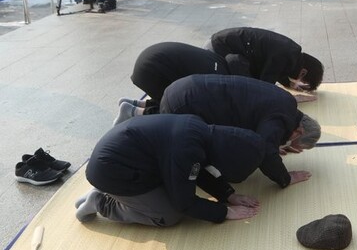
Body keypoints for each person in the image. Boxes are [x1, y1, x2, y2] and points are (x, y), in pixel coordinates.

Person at [117, 74, 321, 186]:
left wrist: (277, 142)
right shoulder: (280, 119)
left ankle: (134, 111)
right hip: (188, 105)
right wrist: (285, 178)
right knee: (182, 140)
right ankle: (129, 136)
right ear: (299, 132)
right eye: (293, 144)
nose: (289, 146)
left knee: (169, 118)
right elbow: (264, 149)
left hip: (184, 86)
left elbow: (266, 132)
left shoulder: (286, 103)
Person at [74, 114, 264, 226]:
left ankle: (116, 193)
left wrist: (227, 194)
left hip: (123, 160)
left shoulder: (201, 131)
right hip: (111, 172)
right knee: (169, 215)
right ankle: (102, 202)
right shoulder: (185, 152)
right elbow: (185, 203)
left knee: (175, 189)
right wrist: (224, 212)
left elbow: (196, 169)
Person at [207, 27, 324, 96]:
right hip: (218, 48)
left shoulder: (292, 53)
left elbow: (276, 70)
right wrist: (289, 99)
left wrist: (288, 84)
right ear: (303, 72)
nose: (298, 83)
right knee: (250, 89)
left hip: (225, 42)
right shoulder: (284, 54)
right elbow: (265, 85)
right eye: (302, 82)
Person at [129, 41, 250, 106]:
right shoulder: (218, 80)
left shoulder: (219, 61)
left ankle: (137, 105)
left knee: (174, 99)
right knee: (173, 108)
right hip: (151, 71)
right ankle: (134, 114)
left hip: (149, 58)